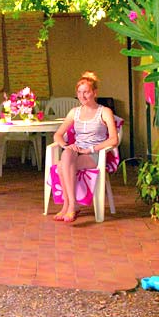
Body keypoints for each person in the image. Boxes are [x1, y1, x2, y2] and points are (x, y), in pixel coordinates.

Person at [51, 71, 119, 223]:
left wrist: (91, 149)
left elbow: (114, 140)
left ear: (95, 93)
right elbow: (58, 135)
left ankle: (68, 205)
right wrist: (66, 145)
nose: (82, 96)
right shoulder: (74, 112)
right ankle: (71, 205)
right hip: (78, 149)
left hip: (95, 153)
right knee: (66, 155)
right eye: (79, 92)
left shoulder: (105, 112)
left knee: (62, 166)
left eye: (86, 92)